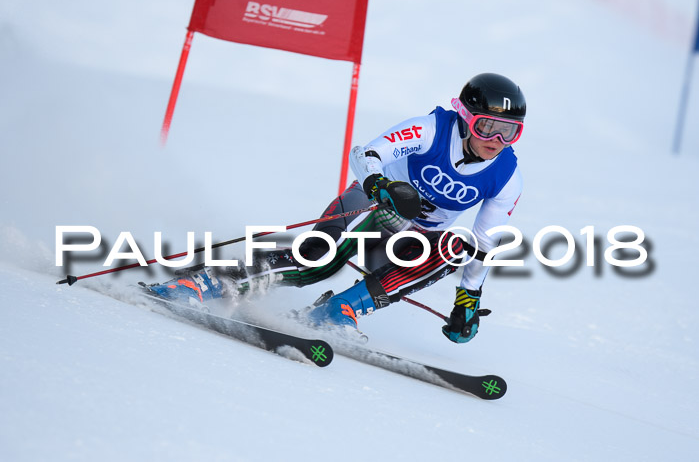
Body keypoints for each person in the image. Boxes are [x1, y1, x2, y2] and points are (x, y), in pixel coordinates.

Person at [145, 72, 526, 344]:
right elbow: (366, 154)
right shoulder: (431, 129)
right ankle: (204, 282)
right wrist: (383, 184)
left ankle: (337, 312)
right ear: (464, 118)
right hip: (370, 204)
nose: (495, 140)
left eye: (509, 132)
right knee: (318, 261)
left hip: (409, 238)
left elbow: (482, 243)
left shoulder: (507, 176)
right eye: (486, 126)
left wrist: (468, 298)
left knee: (456, 248)